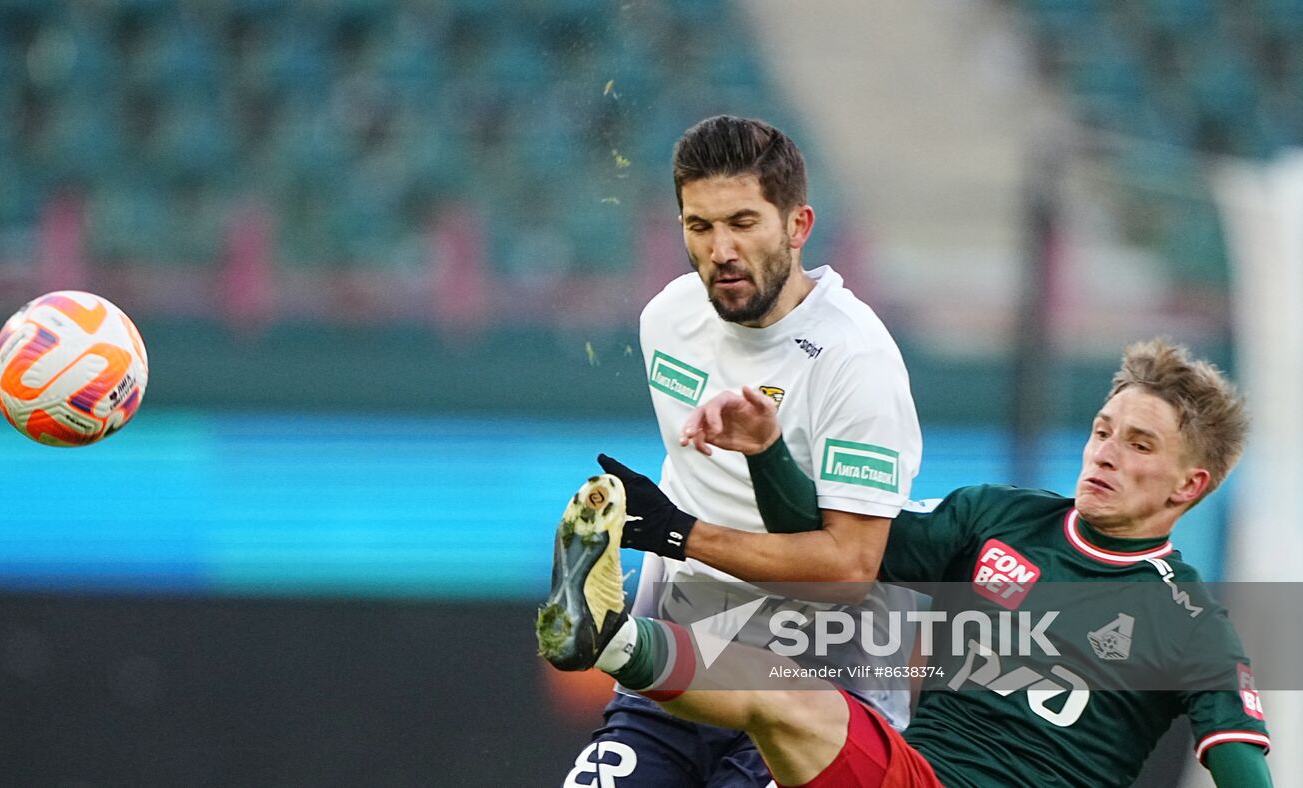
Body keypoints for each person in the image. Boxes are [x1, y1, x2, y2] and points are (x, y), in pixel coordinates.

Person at [539, 339, 1272, 787]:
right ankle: (606, 637)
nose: (1106, 451)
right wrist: (765, 455)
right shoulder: (1001, 517)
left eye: (1139, 444)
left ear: (1190, 485)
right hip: (907, 776)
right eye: (1103, 429)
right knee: (785, 687)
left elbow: (1241, 766)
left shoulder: (1189, 624)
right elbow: (830, 544)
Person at [545, 114, 923, 787]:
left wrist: (676, 533)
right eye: (700, 226)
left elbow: (848, 573)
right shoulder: (667, 320)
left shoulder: (855, 361)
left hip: (817, 687)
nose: (720, 249)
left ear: (797, 226)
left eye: (743, 223)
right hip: (688, 661)